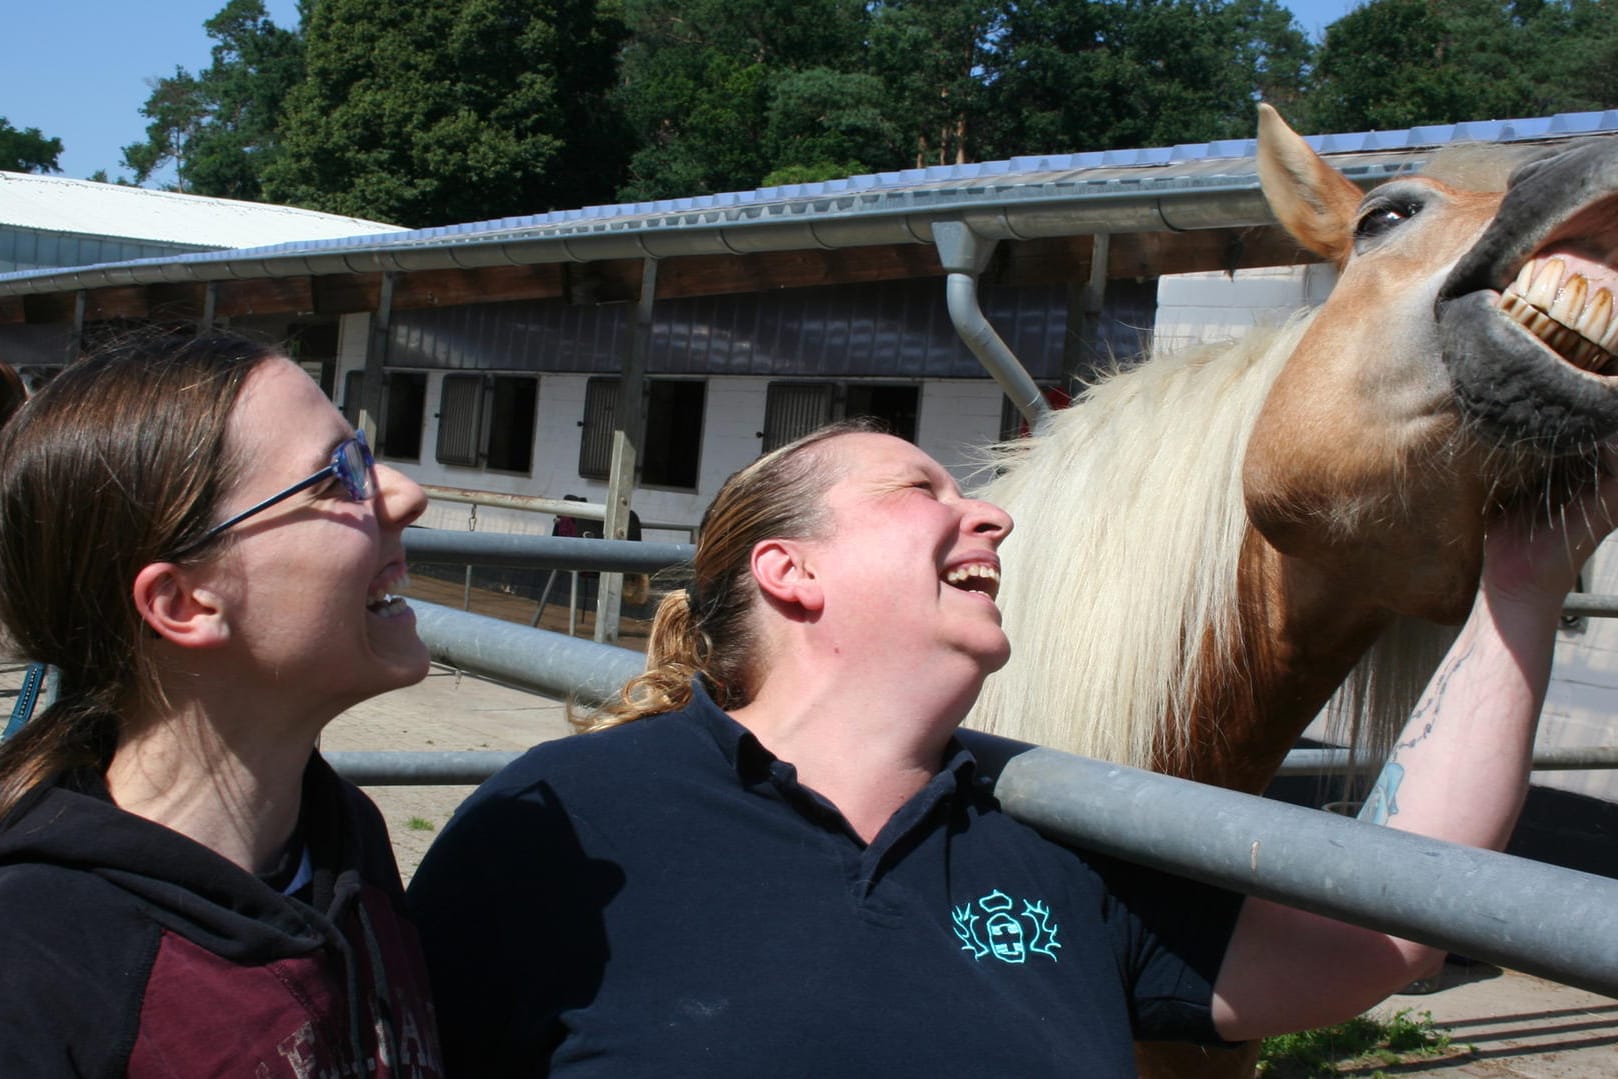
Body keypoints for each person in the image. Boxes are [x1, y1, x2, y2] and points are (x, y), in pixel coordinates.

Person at [408, 418, 1614, 1077]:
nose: (992, 512)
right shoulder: (564, 824)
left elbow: (1391, 927)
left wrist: (1522, 578)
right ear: (792, 571)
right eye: (918, 486)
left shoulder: (1055, 837)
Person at [0, 330, 445, 1076]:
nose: (406, 492)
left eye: (361, 454)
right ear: (184, 601)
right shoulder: (37, 963)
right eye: (339, 476)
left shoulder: (345, 845)